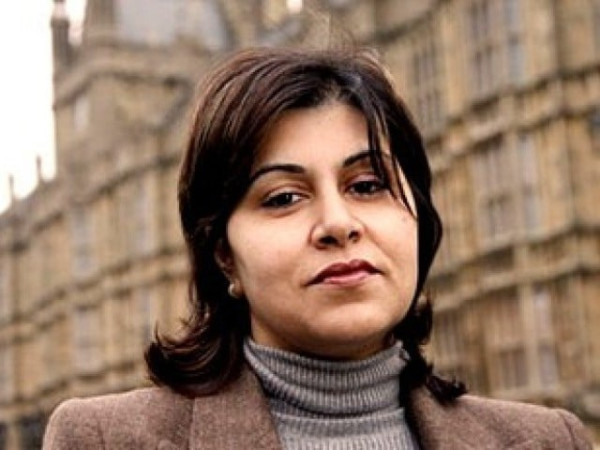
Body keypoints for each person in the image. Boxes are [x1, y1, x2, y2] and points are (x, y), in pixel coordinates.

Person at [43, 47, 592, 449]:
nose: (337, 223)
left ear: (419, 217)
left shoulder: (550, 440)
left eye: (368, 185)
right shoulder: (102, 440)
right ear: (223, 254)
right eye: (283, 197)